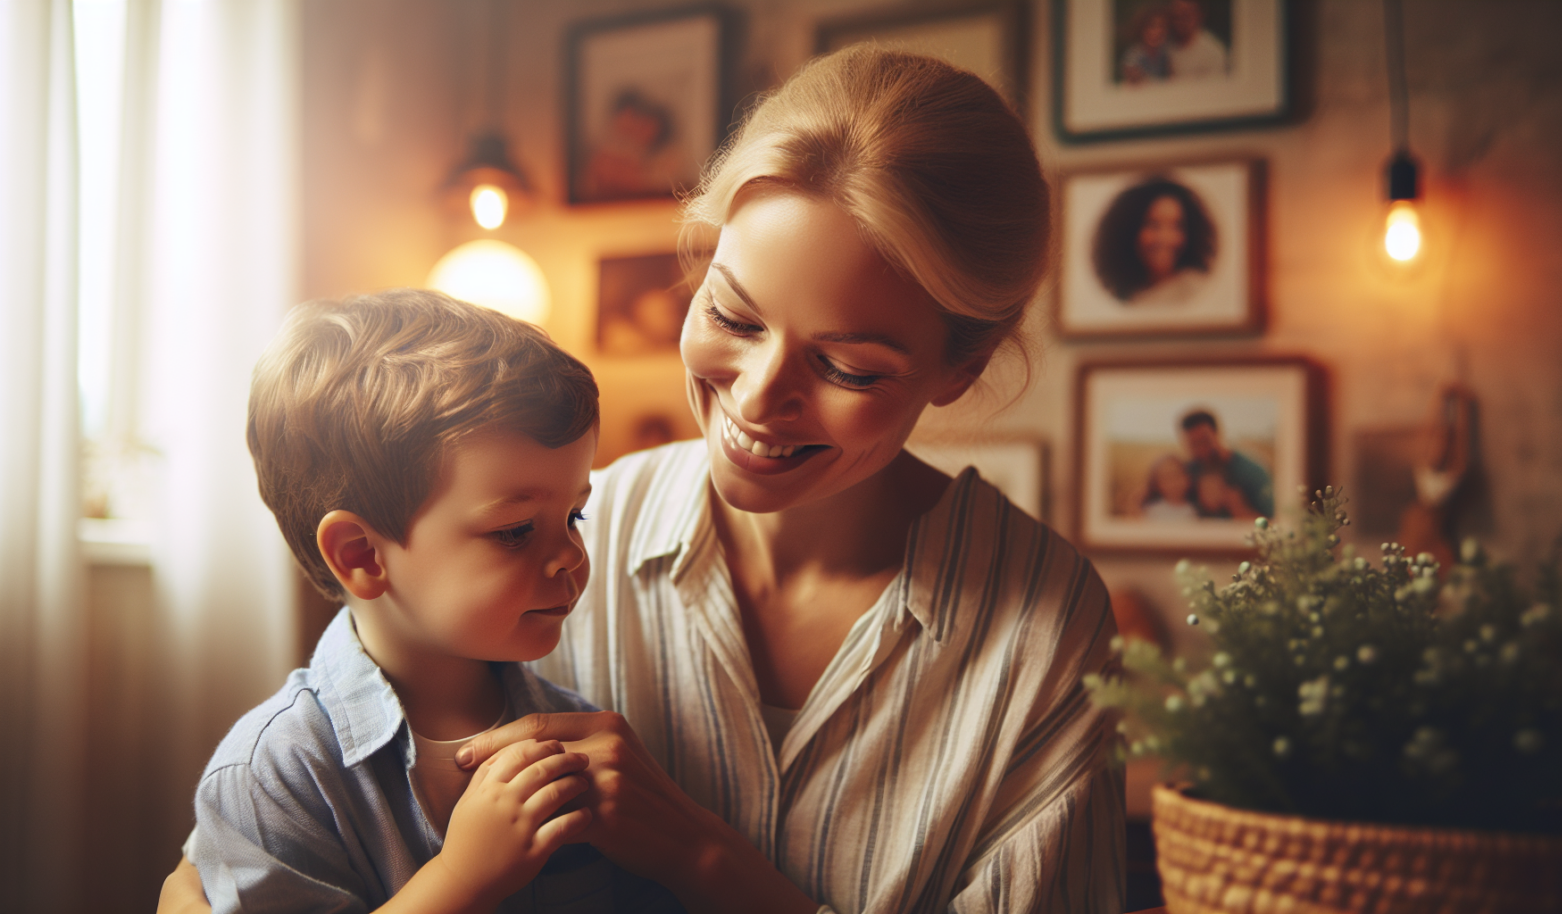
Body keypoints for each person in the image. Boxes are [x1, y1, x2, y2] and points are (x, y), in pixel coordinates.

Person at [162, 46, 1123, 914]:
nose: (757, 398)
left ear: (959, 369)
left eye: (849, 368)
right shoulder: (572, 533)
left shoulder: (1039, 631)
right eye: (736, 317)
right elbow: (239, 855)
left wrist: (704, 860)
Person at [187, 290, 680, 913]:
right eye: (516, 530)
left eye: (574, 514)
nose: (571, 557)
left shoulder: (581, 738)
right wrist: (461, 879)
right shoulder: (278, 774)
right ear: (363, 555)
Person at [1091, 176, 1217, 306]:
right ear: (1130, 229)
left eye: (1176, 226)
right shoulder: (1116, 292)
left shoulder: (1194, 287)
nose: (1165, 238)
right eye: (1153, 225)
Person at [1180, 408, 1274, 518]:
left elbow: (1271, 525)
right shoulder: (1188, 471)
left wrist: (1238, 508)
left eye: (1204, 441)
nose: (1201, 449)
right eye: (1193, 444)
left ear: (1217, 434)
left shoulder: (1253, 472)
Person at [1167, 0, 1229, 80]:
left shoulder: (1213, 52)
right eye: (1176, 16)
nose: (1179, 21)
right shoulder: (1164, 46)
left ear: (1199, 16)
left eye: (1185, 16)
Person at [1120, 2, 1173, 84]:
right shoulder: (1133, 55)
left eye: (1162, 26)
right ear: (1141, 28)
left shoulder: (1165, 54)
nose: (1158, 32)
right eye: (1152, 26)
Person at [1140, 453, 1199, 520]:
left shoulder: (1196, 511)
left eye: (1177, 475)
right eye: (1166, 478)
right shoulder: (1151, 511)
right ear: (1156, 484)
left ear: (1187, 478)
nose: (1173, 483)